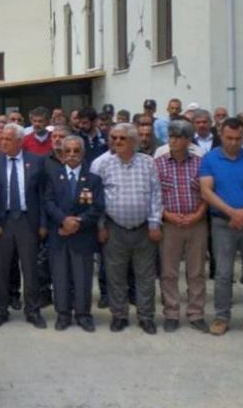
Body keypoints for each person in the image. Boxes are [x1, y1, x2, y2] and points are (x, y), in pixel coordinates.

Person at [199, 118, 243, 338]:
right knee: (222, 273)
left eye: (238, 138)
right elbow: (206, 191)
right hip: (222, 223)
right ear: (221, 135)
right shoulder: (210, 159)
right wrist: (232, 213)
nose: (233, 142)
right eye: (229, 138)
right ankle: (221, 317)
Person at [91, 123, 163, 334]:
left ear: (134, 141)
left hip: (144, 229)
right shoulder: (102, 165)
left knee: (146, 276)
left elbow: (156, 194)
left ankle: (146, 316)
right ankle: (119, 315)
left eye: (122, 138)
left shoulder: (148, 163)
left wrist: (154, 222)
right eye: (113, 138)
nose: (117, 142)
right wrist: (101, 225)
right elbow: (97, 199)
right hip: (114, 229)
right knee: (115, 276)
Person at [42, 135, 104, 332]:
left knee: (82, 277)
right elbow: (48, 202)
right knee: (60, 276)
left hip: (83, 235)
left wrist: (78, 222)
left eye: (76, 151)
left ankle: (83, 314)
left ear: (83, 153)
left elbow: (97, 206)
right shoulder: (53, 176)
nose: (71, 155)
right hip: (59, 234)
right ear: (61, 153)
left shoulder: (93, 179)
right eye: (67, 151)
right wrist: (64, 220)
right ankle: (63, 314)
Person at [155, 120, 210, 333]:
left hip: (197, 223)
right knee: (169, 272)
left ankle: (196, 313)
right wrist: (167, 215)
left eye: (177, 137)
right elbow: (154, 195)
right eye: (170, 137)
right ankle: (171, 313)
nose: (172, 141)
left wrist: (197, 215)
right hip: (170, 224)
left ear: (188, 140)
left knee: (196, 272)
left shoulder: (200, 162)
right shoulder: (158, 163)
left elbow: (207, 192)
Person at [0, 124, 46, 329]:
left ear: (20, 141)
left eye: (8, 139)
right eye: (2, 138)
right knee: (1, 269)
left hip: (27, 220)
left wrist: (42, 224)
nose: (2, 142)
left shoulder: (35, 161)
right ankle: (0, 310)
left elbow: (42, 195)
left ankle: (33, 311)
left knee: (30, 269)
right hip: (3, 221)